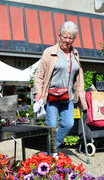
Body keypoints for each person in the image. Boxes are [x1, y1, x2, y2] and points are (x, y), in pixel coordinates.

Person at [33, 21, 87, 152]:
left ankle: (49, 149)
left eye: (71, 38)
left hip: (67, 96)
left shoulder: (75, 53)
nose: (67, 40)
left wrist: (79, 93)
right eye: (65, 37)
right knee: (51, 126)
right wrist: (38, 93)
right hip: (51, 95)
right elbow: (39, 75)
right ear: (59, 35)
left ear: (74, 39)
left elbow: (77, 76)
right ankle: (48, 155)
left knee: (68, 124)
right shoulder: (50, 52)